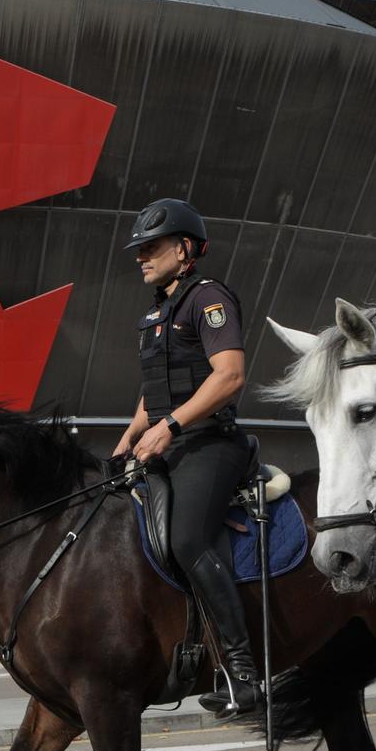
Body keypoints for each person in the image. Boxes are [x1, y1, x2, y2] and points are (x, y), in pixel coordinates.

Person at [112, 198, 265, 721]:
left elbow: (229, 376)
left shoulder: (209, 299)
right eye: (138, 250)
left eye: (150, 248)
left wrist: (170, 426)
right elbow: (155, 388)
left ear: (183, 249)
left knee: (185, 537)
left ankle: (244, 673)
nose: (141, 258)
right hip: (165, 440)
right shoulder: (156, 314)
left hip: (211, 444)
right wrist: (132, 433)